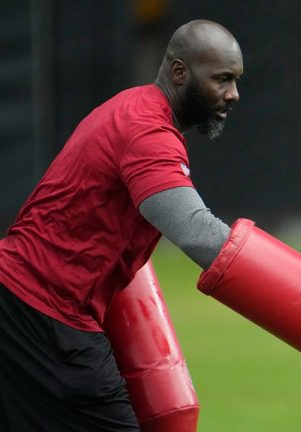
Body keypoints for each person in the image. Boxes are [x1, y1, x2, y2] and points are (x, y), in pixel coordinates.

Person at [0, 19, 242, 430]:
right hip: (43, 313)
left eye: (235, 81)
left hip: (22, 303)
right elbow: (196, 234)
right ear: (180, 73)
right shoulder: (148, 131)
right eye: (222, 79)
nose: (233, 94)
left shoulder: (134, 106)